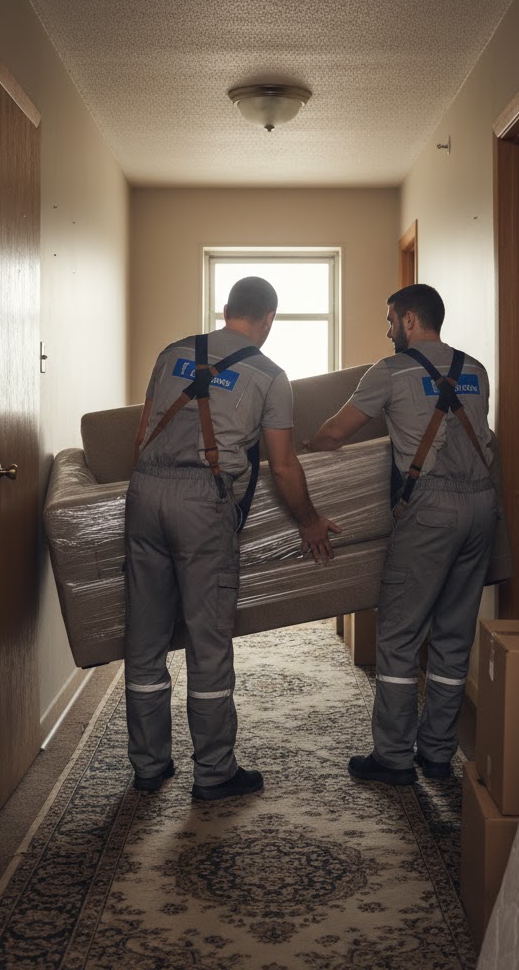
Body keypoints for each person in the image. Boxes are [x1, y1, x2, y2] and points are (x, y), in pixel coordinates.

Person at [125, 275, 340, 801]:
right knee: (208, 638)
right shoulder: (269, 373)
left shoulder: (171, 352)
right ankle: (215, 772)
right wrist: (309, 518)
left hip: (145, 492)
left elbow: (142, 431)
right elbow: (284, 465)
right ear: (269, 319)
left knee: (146, 638)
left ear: (225, 310)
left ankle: (149, 766)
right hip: (202, 503)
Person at [307, 283, 497, 785]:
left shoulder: (391, 371)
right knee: (454, 636)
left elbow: (335, 432)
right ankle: (437, 753)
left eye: (391, 319)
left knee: (398, 633)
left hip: (431, 510)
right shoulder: (475, 369)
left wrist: (304, 452)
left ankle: (392, 758)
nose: (388, 329)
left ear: (410, 320)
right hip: (481, 507)